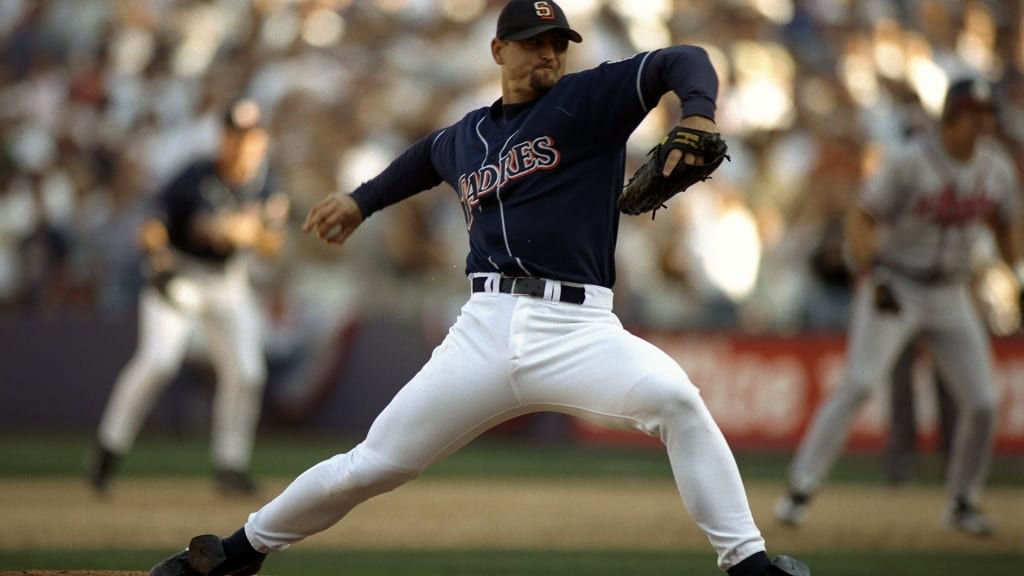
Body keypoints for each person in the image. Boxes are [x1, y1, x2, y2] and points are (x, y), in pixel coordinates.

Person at [148, 2, 809, 575]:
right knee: (372, 464)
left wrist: (699, 112)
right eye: (533, 42)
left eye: (557, 43)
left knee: (676, 400)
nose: (547, 53)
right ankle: (240, 550)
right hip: (484, 329)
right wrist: (361, 201)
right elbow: (425, 157)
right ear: (498, 49)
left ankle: (748, 565)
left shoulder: (587, 101)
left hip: (579, 329)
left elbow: (683, 57)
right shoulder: (469, 135)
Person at [774, 77, 1021, 537]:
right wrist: (872, 271)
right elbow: (860, 216)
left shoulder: (997, 167)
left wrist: (1017, 272)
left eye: (988, 115)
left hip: (951, 290)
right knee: (861, 382)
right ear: (952, 117)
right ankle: (799, 488)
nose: (983, 124)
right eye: (975, 114)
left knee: (984, 401)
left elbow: (1006, 223)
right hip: (898, 283)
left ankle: (963, 500)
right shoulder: (911, 161)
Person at [88, 97, 287, 496]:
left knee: (247, 372)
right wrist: (159, 261)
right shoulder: (194, 176)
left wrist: (246, 233)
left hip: (226, 281)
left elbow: (273, 245)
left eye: (250, 136)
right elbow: (152, 224)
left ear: (261, 141)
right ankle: (109, 449)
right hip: (179, 274)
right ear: (223, 138)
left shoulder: (266, 183)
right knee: (160, 361)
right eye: (236, 135)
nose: (244, 144)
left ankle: (230, 465)